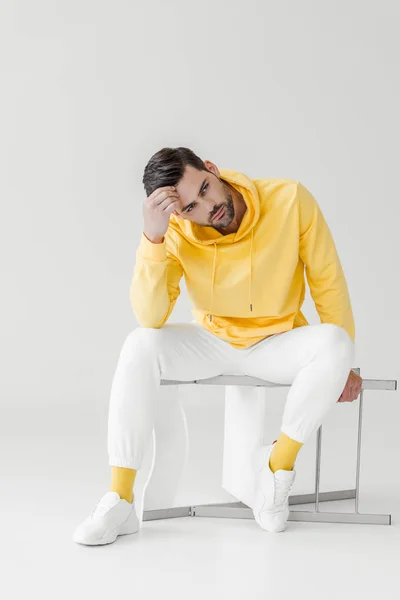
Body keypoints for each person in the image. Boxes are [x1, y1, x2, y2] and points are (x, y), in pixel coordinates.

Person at [73, 147, 362, 545]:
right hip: (213, 341)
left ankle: (275, 468)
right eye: (191, 207)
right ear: (178, 214)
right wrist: (153, 238)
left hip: (277, 340)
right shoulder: (174, 231)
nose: (209, 207)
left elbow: (327, 281)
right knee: (139, 343)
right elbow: (150, 316)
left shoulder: (290, 198)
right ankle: (120, 499)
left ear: (211, 168)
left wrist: (342, 367)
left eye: (206, 188)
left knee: (336, 342)